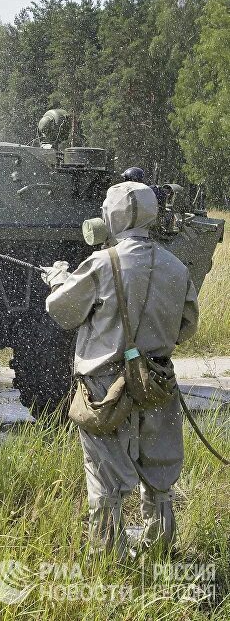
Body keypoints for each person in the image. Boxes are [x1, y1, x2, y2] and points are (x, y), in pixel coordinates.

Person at [42, 180, 198, 558]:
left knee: (105, 478)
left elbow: (61, 310)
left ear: (111, 216)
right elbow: (188, 327)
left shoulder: (101, 263)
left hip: (104, 389)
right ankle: (158, 551)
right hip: (158, 382)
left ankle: (108, 560)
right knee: (159, 474)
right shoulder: (177, 267)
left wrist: (59, 278)